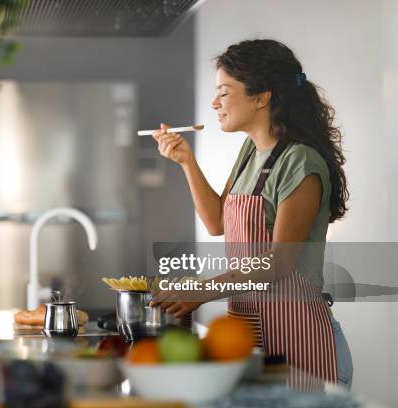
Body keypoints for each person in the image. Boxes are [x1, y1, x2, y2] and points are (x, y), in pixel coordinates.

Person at [150, 39, 353, 388]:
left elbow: (278, 262)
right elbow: (216, 223)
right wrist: (186, 161)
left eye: (224, 92)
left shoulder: (299, 162)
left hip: (300, 342)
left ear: (262, 97)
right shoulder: (249, 152)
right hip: (251, 335)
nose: (215, 103)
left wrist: (201, 291)